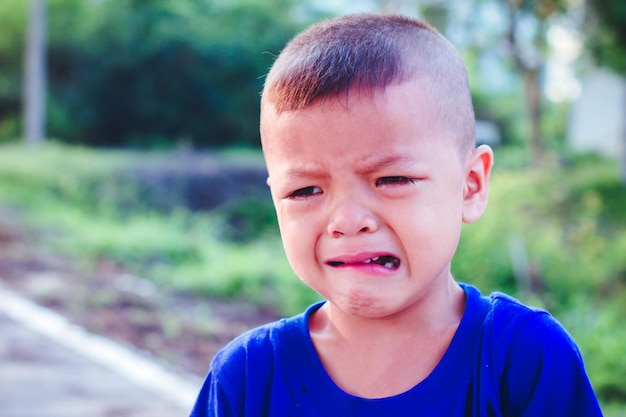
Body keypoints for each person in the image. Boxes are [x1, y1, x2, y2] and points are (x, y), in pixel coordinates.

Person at [190, 13, 603, 416]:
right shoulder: (247, 380)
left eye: (391, 180)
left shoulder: (523, 359)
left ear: (471, 185)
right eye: (305, 190)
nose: (347, 221)